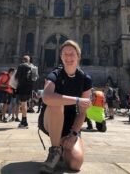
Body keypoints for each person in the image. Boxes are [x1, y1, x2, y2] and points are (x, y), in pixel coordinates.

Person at [40, 40, 92, 174]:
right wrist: (77, 100)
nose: (68, 57)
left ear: (78, 56)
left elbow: (82, 113)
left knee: (75, 164)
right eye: (65, 54)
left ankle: (63, 147)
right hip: (51, 121)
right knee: (57, 102)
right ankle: (55, 150)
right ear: (61, 57)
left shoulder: (85, 79)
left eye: (72, 54)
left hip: (71, 127)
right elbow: (46, 97)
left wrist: (74, 134)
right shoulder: (55, 75)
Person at [15, 55, 35, 128]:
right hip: (29, 88)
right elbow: (35, 77)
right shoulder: (32, 66)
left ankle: (24, 121)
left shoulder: (21, 66)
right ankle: (24, 120)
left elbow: (16, 76)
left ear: (23, 60)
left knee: (23, 104)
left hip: (22, 86)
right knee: (25, 103)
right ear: (29, 60)